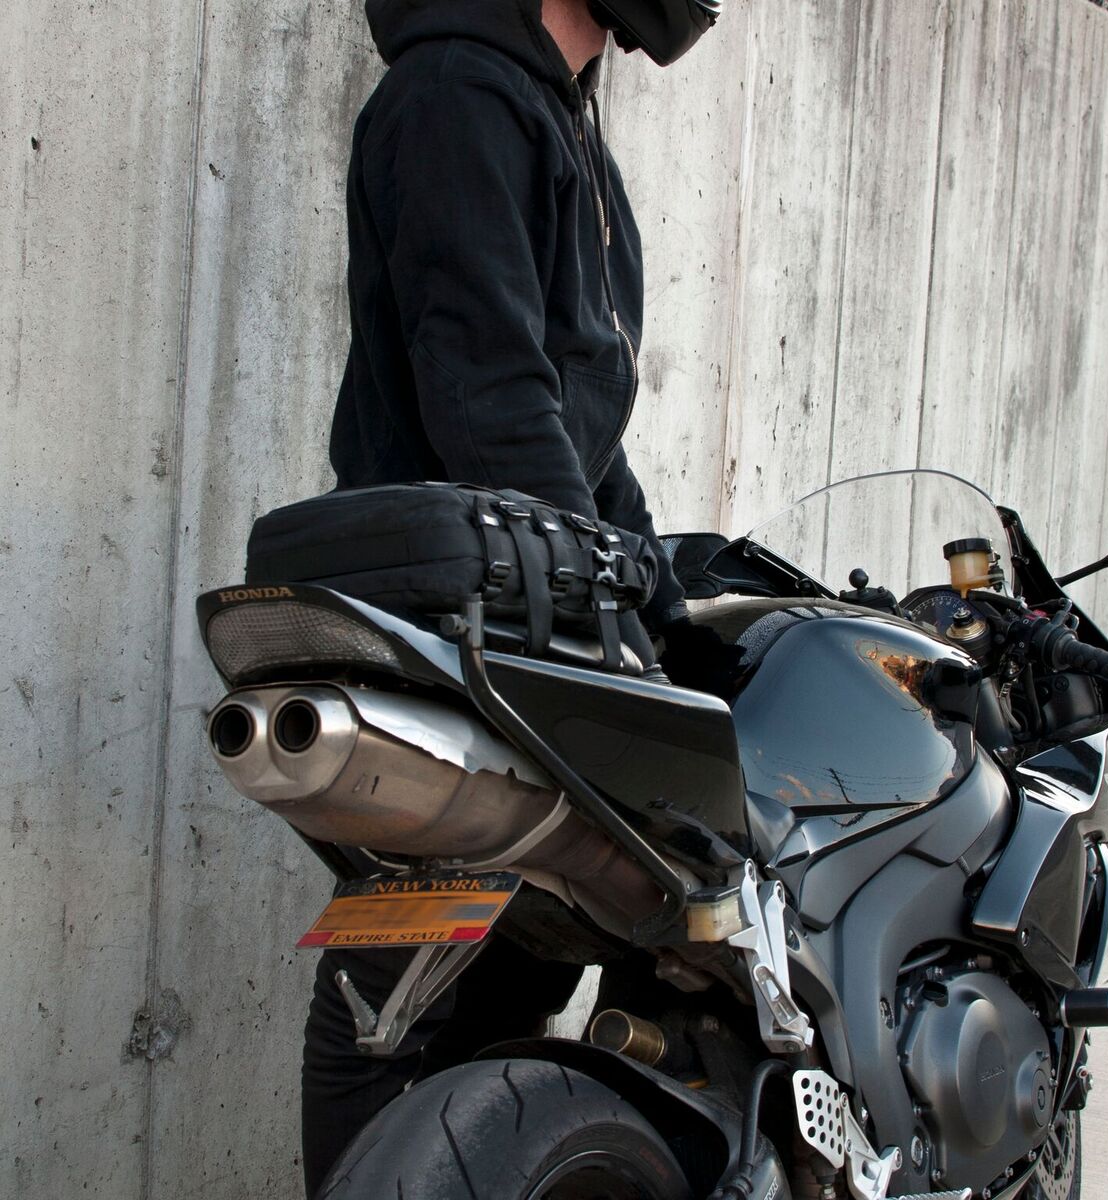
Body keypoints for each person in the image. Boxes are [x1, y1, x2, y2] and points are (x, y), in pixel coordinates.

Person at [303, 0, 720, 1192]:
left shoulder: (556, 116)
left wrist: (669, 615)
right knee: (399, 990)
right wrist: (606, 606)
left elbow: (582, 431)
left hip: (520, 596)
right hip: (455, 619)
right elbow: (484, 392)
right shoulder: (459, 94)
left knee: (527, 967)